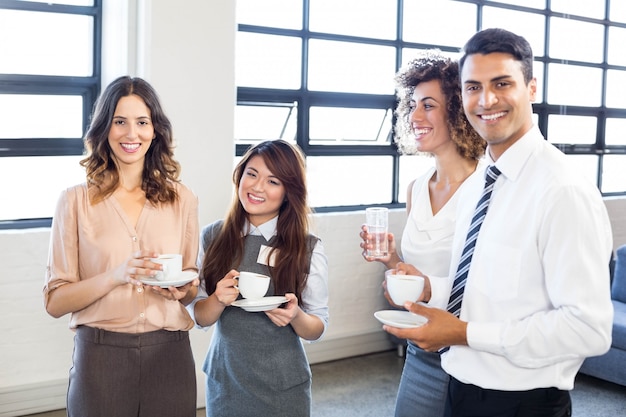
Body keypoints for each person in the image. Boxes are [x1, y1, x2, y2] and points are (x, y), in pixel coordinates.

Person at [385, 28, 614, 417]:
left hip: (521, 402)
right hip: (461, 386)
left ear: (531, 87)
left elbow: (587, 329)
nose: (486, 99)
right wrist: (429, 289)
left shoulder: (563, 190)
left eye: (502, 83)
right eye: (473, 87)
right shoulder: (481, 182)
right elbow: (485, 289)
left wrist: (462, 333)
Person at [44, 76, 200, 417]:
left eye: (142, 122)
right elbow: (55, 302)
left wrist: (186, 289)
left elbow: (188, 292)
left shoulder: (182, 199)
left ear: (155, 130)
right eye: (120, 122)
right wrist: (116, 275)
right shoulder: (74, 201)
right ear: (104, 129)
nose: (132, 134)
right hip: (100, 358)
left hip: (170, 355)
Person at [360, 50, 485, 417]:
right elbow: (418, 278)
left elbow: (492, 282)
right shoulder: (416, 188)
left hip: (470, 352)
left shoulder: (485, 189)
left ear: (458, 111)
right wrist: (393, 260)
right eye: (412, 105)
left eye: (428, 105)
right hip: (421, 347)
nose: (415, 116)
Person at [189, 139, 329, 417]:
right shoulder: (212, 237)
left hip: (283, 386)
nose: (257, 187)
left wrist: (296, 316)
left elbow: (318, 326)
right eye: (251, 174)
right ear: (239, 176)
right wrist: (217, 300)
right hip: (226, 380)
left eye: (273, 181)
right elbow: (199, 317)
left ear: (289, 191)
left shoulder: (307, 247)